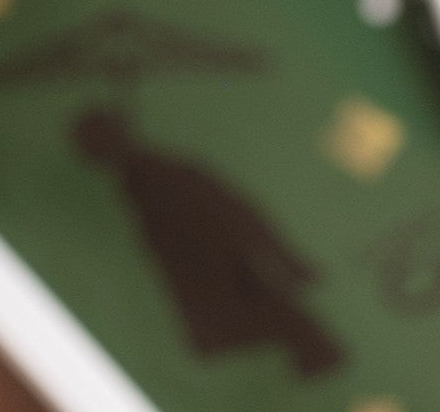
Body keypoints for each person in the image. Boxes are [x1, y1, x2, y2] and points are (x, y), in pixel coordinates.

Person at [70, 104, 342, 377]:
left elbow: (236, 212)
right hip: (215, 279)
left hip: (227, 273)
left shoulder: (162, 173)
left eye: (100, 142)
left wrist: (283, 258)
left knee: (281, 325)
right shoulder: (138, 182)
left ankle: (315, 356)